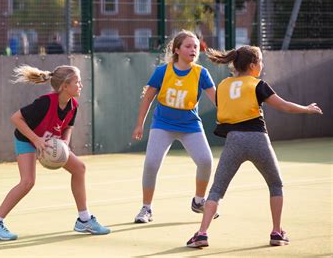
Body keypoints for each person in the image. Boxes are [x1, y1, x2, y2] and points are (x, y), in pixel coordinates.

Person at [186, 45, 323, 248]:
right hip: (258, 139)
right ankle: (277, 232)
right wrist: (306, 109)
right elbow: (283, 105)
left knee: (216, 190)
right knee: (276, 185)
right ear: (252, 65)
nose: (262, 65)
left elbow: (223, 109)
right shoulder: (258, 84)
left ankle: (202, 233)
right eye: (260, 61)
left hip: (233, 140)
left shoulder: (223, 85)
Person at [0, 65, 110, 241]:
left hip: (50, 142)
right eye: (77, 82)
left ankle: (84, 219)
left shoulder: (73, 105)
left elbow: (68, 127)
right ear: (65, 86)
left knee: (79, 168)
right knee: (27, 182)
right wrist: (36, 140)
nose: (81, 85)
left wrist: (65, 143)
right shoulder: (45, 103)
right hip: (27, 139)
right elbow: (16, 118)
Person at [132, 29, 217, 224]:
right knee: (152, 163)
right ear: (177, 49)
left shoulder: (201, 73)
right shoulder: (163, 71)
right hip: (163, 124)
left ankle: (199, 201)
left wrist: (231, 115)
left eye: (196, 46)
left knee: (205, 161)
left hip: (190, 125)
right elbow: (148, 97)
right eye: (188, 46)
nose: (193, 50)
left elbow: (217, 100)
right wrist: (140, 124)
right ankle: (146, 208)